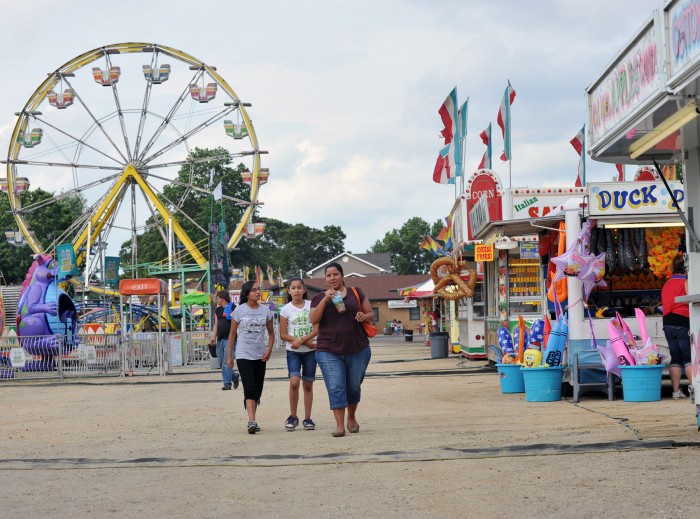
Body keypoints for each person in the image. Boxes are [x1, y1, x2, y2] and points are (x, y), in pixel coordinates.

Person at [310, 262, 373, 437]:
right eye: (328, 275)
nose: (332, 278)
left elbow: (371, 314)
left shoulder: (356, 292)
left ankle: (351, 417)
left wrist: (364, 316)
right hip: (328, 350)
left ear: (342, 276)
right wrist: (325, 299)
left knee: (353, 387)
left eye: (335, 274)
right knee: (336, 386)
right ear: (325, 279)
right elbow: (313, 319)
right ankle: (339, 425)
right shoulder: (318, 298)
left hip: (358, 348)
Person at [227, 280, 275, 434]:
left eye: (259, 289)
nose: (258, 292)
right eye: (254, 290)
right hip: (243, 354)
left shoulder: (266, 311)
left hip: (260, 354)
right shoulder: (239, 311)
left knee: (258, 389)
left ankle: (251, 411)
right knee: (250, 388)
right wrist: (230, 356)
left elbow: (272, 334)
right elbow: (232, 334)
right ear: (247, 293)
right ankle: (251, 421)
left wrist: (269, 350)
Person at [279, 277, 319, 431]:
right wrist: (300, 341)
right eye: (293, 288)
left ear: (304, 290)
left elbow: (317, 329)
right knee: (294, 381)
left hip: (310, 351)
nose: (296, 290)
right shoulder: (285, 309)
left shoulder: (312, 306)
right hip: (293, 352)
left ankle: (307, 419)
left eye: (299, 287)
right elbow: (283, 334)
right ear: (288, 291)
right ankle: (293, 416)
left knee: (308, 384)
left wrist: (303, 340)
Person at [661, 254, 694, 402]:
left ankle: (676, 391)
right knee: (688, 357)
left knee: (676, 357)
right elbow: (691, 298)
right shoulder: (686, 282)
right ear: (686, 268)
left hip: (667, 322)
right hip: (682, 321)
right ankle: (694, 390)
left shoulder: (667, 283)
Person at [210, 290, 239, 390]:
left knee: (227, 361)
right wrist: (214, 337)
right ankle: (234, 376)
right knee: (221, 361)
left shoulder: (233, 307)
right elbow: (216, 325)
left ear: (222, 298)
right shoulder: (217, 310)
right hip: (220, 339)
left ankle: (227, 384)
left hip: (230, 339)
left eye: (218, 298)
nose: (217, 299)